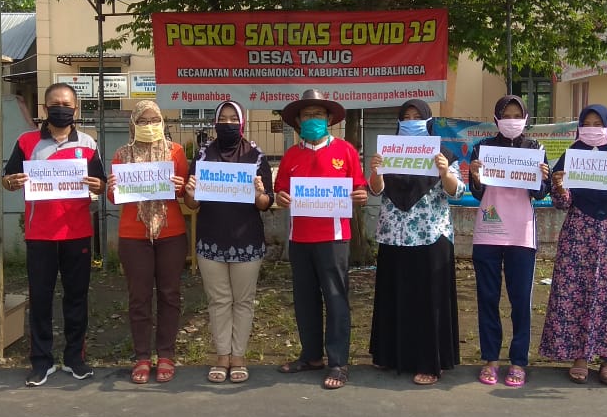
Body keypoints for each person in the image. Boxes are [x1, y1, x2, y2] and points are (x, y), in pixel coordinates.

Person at [2, 83, 106, 387]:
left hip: (77, 233)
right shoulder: (26, 141)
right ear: (45, 109)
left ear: (75, 108)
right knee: (41, 299)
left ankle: (75, 358)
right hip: (40, 234)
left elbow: (100, 183)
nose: (61, 108)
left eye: (67, 104)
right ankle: (41, 362)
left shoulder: (88, 142)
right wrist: (11, 182)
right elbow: (8, 179)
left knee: (76, 298)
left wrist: (99, 186)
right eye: (55, 103)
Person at [539, 104, 607, 385]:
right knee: (578, 292)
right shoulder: (570, 157)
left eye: (597, 122)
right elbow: (561, 204)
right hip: (579, 235)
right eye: (586, 122)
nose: (591, 128)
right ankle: (580, 356)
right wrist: (559, 187)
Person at [273, 89, 368, 390]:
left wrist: (361, 196)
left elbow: (361, 189)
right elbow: (280, 192)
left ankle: (338, 362)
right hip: (300, 238)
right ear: (298, 121)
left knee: (336, 299)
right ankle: (311, 356)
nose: (312, 119)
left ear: (329, 119)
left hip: (334, 238)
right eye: (306, 115)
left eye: (317, 114)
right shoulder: (290, 156)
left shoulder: (346, 152)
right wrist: (281, 197)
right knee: (305, 299)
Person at [367, 99, 464, 385]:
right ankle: (391, 355)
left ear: (428, 121)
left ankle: (429, 362)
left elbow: (457, 191)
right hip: (394, 235)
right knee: (394, 295)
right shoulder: (388, 152)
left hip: (431, 236)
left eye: (417, 116)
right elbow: (376, 191)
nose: (411, 121)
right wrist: (376, 172)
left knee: (428, 301)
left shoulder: (443, 153)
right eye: (406, 117)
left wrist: (445, 172)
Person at [183, 100, 274, 383]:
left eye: (233, 118)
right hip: (211, 240)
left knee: (243, 302)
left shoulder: (256, 156)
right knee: (219, 301)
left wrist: (260, 193)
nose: (228, 122)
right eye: (223, 117)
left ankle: (239, 357)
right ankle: (222, 356)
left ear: (242, 122)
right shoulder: (202, 155)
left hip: (246, 241)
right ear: (214, 122)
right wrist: (189, 191)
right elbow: (192, 203)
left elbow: (265, 203)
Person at [468, 95, 550, 388]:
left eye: (517, 114)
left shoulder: (535, 148)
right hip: (488, 231)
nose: (512, 120)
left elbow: (541, 193)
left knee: (520, 301)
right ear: (496, 119)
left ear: (526, 118)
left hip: (521, 233)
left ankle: (518, 362)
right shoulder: (483, 148)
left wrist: (542, 178)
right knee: (487, 297)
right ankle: (490, 359)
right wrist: (475, 176)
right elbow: (476, 192)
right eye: (506, 114)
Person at [107, 100, 188, 384]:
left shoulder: (175, 152)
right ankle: (142, 356)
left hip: (171, 233)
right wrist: (111, 189)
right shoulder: (121, 155)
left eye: (154, 120)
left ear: (163, 123)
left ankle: (165, 354)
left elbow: (188, 194)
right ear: (133, 124)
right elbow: (115, 197)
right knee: (139, 297)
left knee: (169, 295)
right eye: (143, 121)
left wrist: (182, 187)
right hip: (133, 235)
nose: (149, 126)